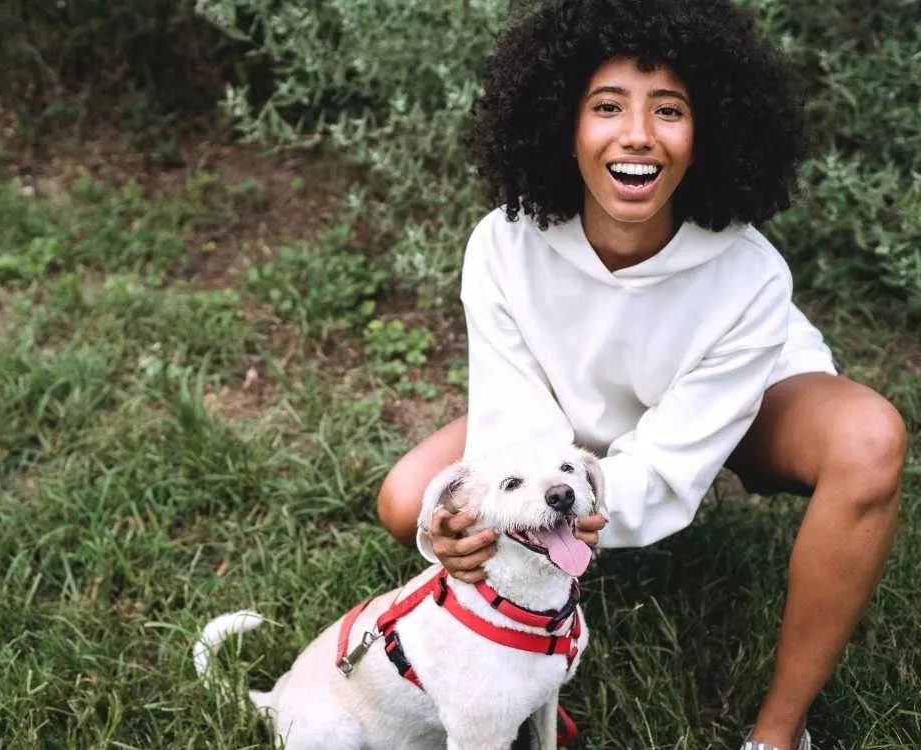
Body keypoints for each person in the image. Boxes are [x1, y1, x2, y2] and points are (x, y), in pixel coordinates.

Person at [375, 0, 907, 748]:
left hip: (730, 407)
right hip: (569, 424)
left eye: (669, 109)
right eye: (606, 106)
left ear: (706, 133)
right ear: (563, 122)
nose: (637, 135)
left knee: (869, 439)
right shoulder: (502, 245)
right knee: (409, 504)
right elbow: (515, 422)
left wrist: (585, 506)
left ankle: (779, 733)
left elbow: (672, 462)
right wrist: (494, 520)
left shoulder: (750, 276)